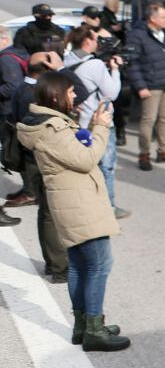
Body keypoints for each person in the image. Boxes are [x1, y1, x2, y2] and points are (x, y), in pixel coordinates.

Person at [17, 71, 129, 351]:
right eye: (69, 92)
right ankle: (94, 329)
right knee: (99, 265)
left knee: (80, 266)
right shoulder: (53, 128)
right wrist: (103, 128)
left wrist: (91, 126)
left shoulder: (49, 125)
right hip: (79, 204)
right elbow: (86, 158)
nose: (74, 95)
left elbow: (77, 150)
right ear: (55, 96)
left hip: (71, 202)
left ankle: (84, 326)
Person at [12, 53, 70, 274]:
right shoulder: (33, 95)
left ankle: (55, 263)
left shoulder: (24, 89)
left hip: (33, 159)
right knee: (50, 214)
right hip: (40, 161)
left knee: (47, 213)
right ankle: (58, 266)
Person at [62, 26, 129, 219]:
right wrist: (115, 71)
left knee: (83, 165)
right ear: (88, 41)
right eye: (96, 39)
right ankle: (109, 207)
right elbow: (112, 93)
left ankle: (84, 204)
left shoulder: (66, 61)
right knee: (105, 165)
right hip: (98, 121)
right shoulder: (96, 65)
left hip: (77, 123)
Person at [126, 2, 165, 172]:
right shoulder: (137, 35)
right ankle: (144, 153)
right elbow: (132, 63)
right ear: (152, 18)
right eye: (163, 17)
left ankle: (164, 150)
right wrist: (140, 86)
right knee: (148, 120)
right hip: (150, 85)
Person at [1, 26, 35, 213]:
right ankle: (30, 189)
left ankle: (30, 192)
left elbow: (12, 87)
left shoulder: (7, 59)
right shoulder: (24, 55)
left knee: (15, 152)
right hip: (20, 109)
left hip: (9, 112)